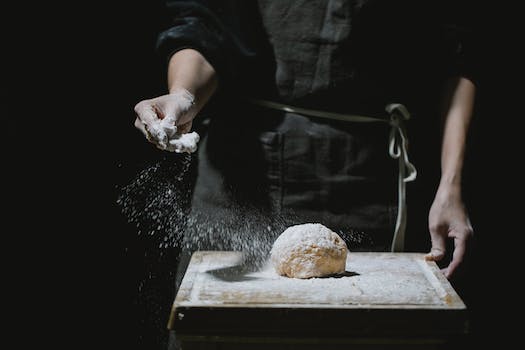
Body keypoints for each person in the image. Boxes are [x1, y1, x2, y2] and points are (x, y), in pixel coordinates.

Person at [132, 0, 476, 348]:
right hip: (244, 175)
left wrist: (451, 184)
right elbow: (204, 23)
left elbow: (459, 51)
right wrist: (183, 95)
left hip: (372, 180)